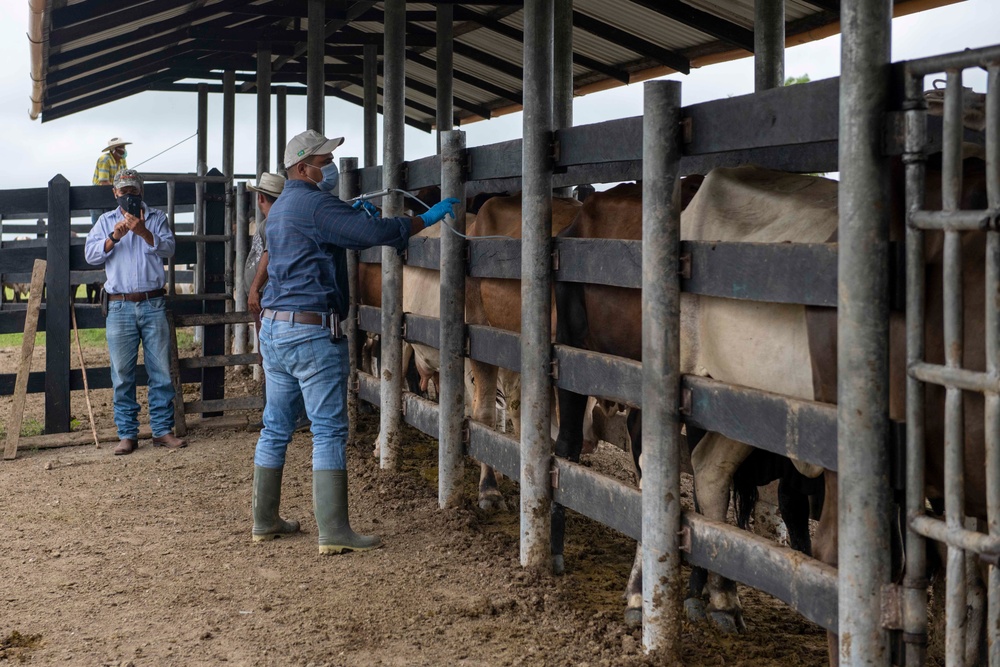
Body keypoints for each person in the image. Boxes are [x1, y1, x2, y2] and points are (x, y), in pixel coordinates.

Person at [251, 129, 458, 553]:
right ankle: (334, 532)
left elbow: (323, 229)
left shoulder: (281, 209)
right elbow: (373, 235)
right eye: (323, 161)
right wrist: (424, 220)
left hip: (274, 327)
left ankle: (264, 520)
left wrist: (346, 211)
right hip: (310, 330)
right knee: (328, 428)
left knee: (275, 426)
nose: (329, 167)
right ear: (303, 167)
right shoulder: (315, 203)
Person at [85, 169, 187, 456]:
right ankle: (127, 434)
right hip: (119, 305)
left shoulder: (156, 218)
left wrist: (143, 232)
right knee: (122, 373)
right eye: (123, 191)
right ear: (115, 193)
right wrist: (113, 238)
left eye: (133, 190)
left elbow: (169, 249)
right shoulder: (106, 221)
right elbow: (90, 255)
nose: (128, 195)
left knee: (161, 371)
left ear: (141, 192)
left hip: (153, 302)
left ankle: (161, 431)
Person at [243, 172, 308, 432]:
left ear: (260, 198)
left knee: (271, 358)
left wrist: (254, 289)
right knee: (274, 357)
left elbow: (268, 258)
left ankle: (284, 416)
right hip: (269, 301)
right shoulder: (273, 222)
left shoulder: (273, 223)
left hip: (270, 301)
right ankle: (282, 414)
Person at [91, 137, 130, 224]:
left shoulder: (122, 160)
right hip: (99, 193)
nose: (124, 150)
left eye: (124, 147)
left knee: (114, 221)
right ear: (114, 150)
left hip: (115, 191)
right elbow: (103, 182)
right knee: (99, 223)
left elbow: (125, 177)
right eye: (121, 148)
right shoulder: (105, 159)